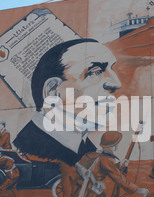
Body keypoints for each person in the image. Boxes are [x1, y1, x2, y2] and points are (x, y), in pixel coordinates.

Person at [13, 38, 122, 168]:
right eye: (96, 72)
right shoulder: (29, 153)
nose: (116, 83)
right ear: (52, 91)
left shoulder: (86, 149)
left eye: (112, 68)